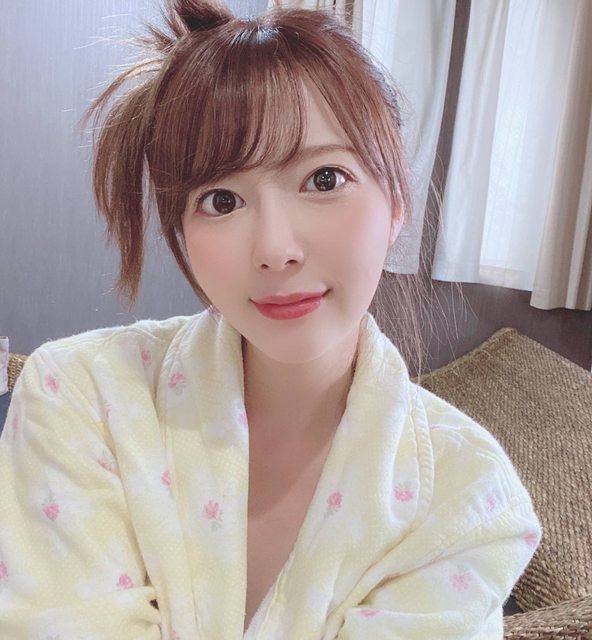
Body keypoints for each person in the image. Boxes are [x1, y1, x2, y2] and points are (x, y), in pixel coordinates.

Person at [0, 1, 542, 638]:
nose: (275, 249)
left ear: (396, 202)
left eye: (324, 179)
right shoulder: (79, 394)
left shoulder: (468, 496)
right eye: (221, 199)